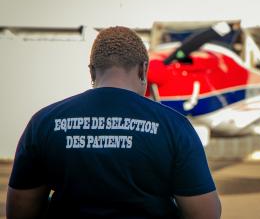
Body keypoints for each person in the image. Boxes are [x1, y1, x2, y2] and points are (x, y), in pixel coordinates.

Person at [7, 26, 221, 219]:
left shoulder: (43, 122)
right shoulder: (174, 126)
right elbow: (205, 214)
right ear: (143, 69)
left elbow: (20, 209)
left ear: (92, 71)